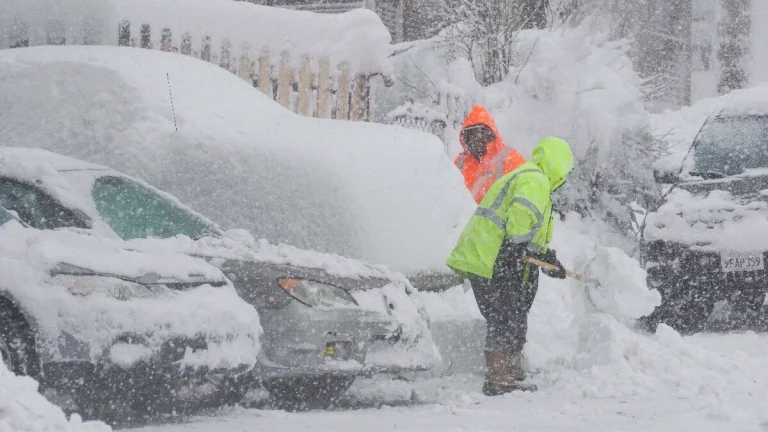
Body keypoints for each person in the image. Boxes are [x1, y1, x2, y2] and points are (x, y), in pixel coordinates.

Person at [445, 136, 574, 396]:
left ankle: (510, 369)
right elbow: (520, 219)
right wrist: (519, 247)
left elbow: (529, 233)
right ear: (559, 166)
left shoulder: (532, 178)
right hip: (493, 255)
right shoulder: (535, 180)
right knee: (506, 313)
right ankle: (498, 375)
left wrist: (547, 258)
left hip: (495, 253)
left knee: (513, 310)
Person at [454, 105, 527, 204]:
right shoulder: (460, 162)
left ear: (490, 132)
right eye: (472, 134)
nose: (477, 138)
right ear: (466, 137)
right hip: (465, 218)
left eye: (481, 132)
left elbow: (525, 192)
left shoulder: (509, 158)